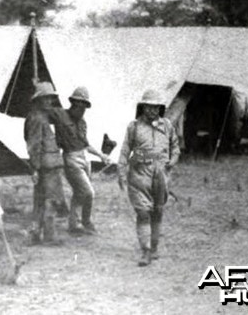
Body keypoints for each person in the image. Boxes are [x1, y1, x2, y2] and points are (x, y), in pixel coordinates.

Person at [118, 89, 180, 266]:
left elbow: (175, 147)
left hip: (160, 174)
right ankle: (145, 250)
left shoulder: (167, 126)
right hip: (139, 175)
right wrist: (121, 173)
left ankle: (154, 247)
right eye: (149, 107)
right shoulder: (134, 127)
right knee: (143, 213)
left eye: (156, 107)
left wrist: (171, 161)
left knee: (157, 212)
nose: (152, 111)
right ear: (143, 107)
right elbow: (124, 151)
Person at [50, 87, 111, 235]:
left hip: (84, 158)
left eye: (84, 105)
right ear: (73, 103)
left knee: (79, 193)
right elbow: (42, 112)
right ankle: (86, 221)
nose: (82, 108)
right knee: (88, 192)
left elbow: (85, 144)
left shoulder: (83, 122)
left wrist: (101, 156)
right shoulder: (60, 114)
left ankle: (73, 225)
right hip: (70, 159)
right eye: (79, 104)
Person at [24, 82, 66, 245]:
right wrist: (34, 168)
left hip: (48, 165)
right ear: (38, 100)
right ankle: (49, 236)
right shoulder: (37, 118)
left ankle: (36, 234)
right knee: (50, 200)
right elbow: (34, 145)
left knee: (41, 201)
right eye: (46, 98)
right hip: (46, 166)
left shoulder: (41, 116)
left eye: (50, 98)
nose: (49, 102)